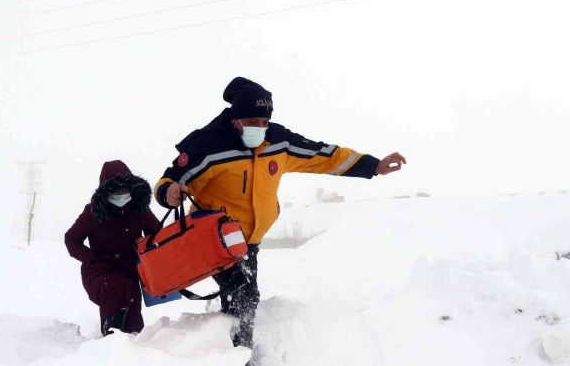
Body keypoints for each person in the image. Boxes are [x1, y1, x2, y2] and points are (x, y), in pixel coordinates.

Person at [154, 77, 406, 351]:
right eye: (252, 121)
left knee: (242, 297)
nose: (260, 128)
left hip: (248, 242)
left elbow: (324, 156)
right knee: (244, 295)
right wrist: (168, 192)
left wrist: (372, 165)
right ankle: (241, 356)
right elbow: (168, 180)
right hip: (215, 239)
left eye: (264, 122)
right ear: (235, 118)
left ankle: (225, 350)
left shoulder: (278, 141)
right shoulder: (208, 147)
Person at [65, 160, 161, 336]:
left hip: (130, 270)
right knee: (114, 287)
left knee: (132, 309)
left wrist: (146, 242)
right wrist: (92, 260)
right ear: (106, 191)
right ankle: (110, 340)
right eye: (117, 190)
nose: (122, 194)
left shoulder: (139, 209)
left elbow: (158, 234)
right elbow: (71, 239)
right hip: (100, 272)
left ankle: (135, 346)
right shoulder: (93, 212)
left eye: (125, 189)